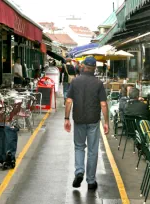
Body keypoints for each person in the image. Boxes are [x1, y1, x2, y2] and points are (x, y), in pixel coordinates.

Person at [64, 56, 109, 190]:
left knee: (79, 147)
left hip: (78, 119)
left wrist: (66, 118)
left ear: (83, 66)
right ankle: (90, 181)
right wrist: (106, 122)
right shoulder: (98, 83)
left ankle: (79, 172)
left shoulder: (75, 81)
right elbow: (103, 104)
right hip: (93, 120)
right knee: (93, 150)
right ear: (94, 68)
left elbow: (68, 101)